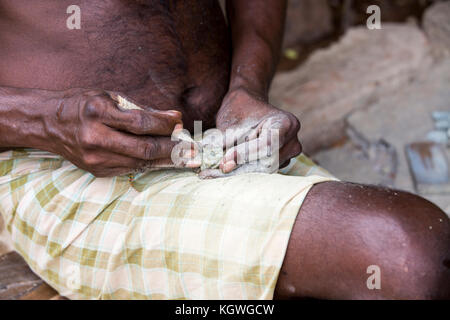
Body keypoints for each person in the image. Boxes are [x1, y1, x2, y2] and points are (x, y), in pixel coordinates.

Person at [0, 0, 448, 299]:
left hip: (220, 139)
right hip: (65, 165)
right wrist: (50, 118)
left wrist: (246, 87)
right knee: (405, 255)